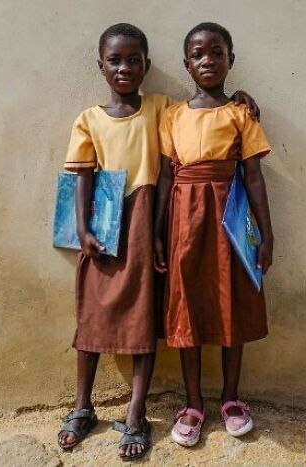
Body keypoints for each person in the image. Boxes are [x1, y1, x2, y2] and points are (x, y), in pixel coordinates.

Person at [57, 22, 260, 460]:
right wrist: (83, 229)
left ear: (148, 65)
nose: (125, 68)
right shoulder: (90, 119)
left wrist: (242, 98)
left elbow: (208, 107)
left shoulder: (163, 107)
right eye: (115, 60)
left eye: (134, 60)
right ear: (100, 67)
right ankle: (81, 406)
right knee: (92, 312)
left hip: (151, 220)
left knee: (147, 315)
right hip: (108, 224)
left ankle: (135, 415)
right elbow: (81, 177)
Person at [154, 22, 274, 447]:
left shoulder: (240, 114)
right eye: (198, 54)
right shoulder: (173, 115)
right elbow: (167, 179)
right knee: (187, 305)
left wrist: (266, 232)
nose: (208, 61)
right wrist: (157, 232)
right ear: (186, 64)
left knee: (231, 300)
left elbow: (255, 178)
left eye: (217, 53)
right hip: (185, 221)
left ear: (230, 60)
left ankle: (230, 398)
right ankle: (192, 403)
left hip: (229, 215)